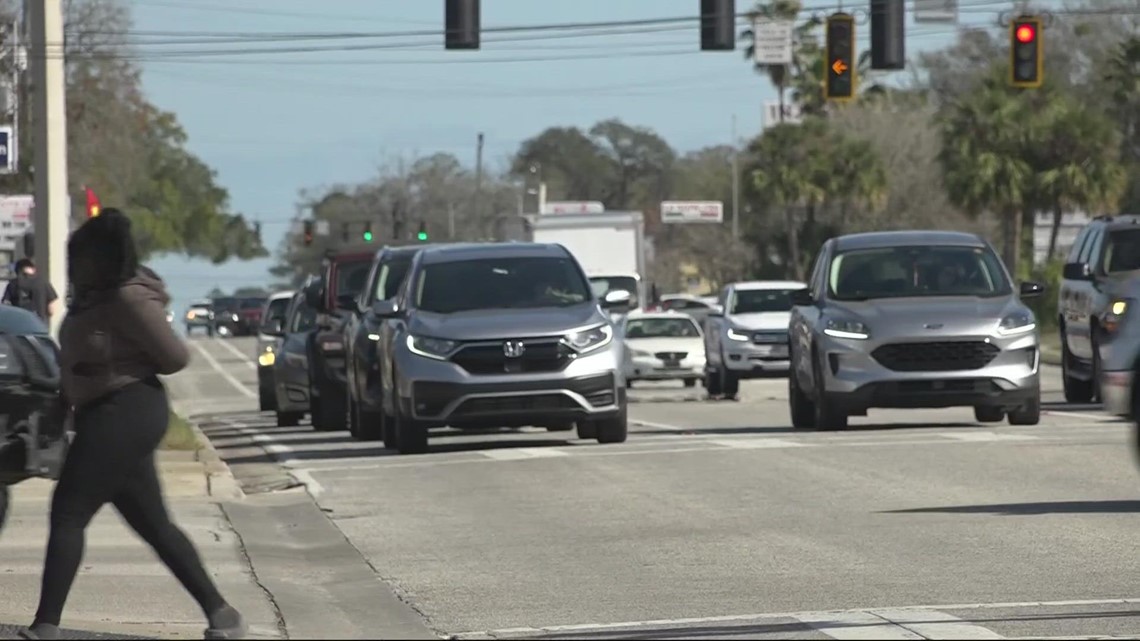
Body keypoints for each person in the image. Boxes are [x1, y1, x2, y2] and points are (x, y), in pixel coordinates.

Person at [20, 208, 247, 641]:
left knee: (68, 510)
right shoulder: (89, 300)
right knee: (154, 525)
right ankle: (224, 616)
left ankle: (45, 627)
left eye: (80, 258)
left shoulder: (128, 298)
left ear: (101, 259)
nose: (74, 267)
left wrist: (114, 363)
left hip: (128, 408)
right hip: (102, 415)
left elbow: (175, 358)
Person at [2, 257, 60, 322]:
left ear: (17, 270)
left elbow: (6, 304)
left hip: (18, 323)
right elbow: (52, 307)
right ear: (33, 269)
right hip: (38, 324)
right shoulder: (42, 282)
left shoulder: (12, 284)